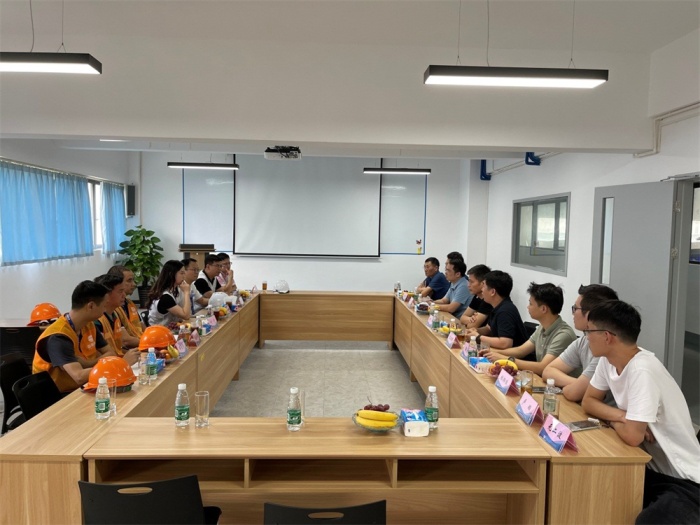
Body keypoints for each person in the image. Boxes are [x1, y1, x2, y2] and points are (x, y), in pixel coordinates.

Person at [581, 301, 700, 525]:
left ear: (607, 336)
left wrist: (616, 420)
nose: (586, 337)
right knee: (596, 491)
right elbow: (588, 401)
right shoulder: (608, 361)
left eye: (589, 331)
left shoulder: (642, 370)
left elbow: (633, 436)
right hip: (649, 468)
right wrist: (621, 416)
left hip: (684, 479)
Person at [32, 281, 120, 392]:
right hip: (58, 396)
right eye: (104, 305)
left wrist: (87, 364)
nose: (105, 310)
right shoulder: (58, 337)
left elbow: (111, 353)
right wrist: (112, 365)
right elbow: (79, 376)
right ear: (91, 306)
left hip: (83, 387)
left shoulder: (88, 325)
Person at [542, 284, 619, 402]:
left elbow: (574, 393)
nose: (573, 313)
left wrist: (578, 387)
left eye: (575, 308)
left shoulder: (606, 349)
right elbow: (548, 371)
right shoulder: (583, 341)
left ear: (590, 314)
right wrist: (578, 384)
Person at [484, 282, 576, 375]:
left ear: (543, 309)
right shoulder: (542, 327)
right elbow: (521, 351)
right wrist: (492, 352)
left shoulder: (563, 335)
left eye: (531, 304)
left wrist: (506, 359)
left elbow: (542, 368)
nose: (528, 307)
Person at [466, 270, 529, 350]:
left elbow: (505, 343)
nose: (482, 289)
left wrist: (478, 337)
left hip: (513, 356)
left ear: (492, 292)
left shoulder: (505, 311)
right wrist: (475, 331)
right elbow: (488, 329)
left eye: (484, 286)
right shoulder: (497, 306)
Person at [93, 275, 141, 360]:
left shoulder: (115, 314)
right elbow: (100, 357)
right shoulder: (96, 321)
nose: (124, 295)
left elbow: (119, 350)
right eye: (120, 291)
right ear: (106, 295)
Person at [147, 260, 192, 326]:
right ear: (171, 274)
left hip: (170, 328)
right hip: (158, 330)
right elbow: (186, 316)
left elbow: (186, 311)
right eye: (182, 273)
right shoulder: (165, 297)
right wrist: (186, 292)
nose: (184, 276)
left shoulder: (175, 290)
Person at [107, 265, 144, 346]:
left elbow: (142, 326)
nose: (134, 284)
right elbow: (125, 340)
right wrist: (151, 343)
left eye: (133, 280)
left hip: (139, 343)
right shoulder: (113, 308)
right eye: (129, 280)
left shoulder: (129, 303)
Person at [459, 264, 492, 329]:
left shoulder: (488, 301)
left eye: (471, 282)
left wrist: (469, 321)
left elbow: (471, 326)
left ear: (483, 283)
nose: (468, 285)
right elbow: (462, 318)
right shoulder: (477, 296)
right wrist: (470, 319)